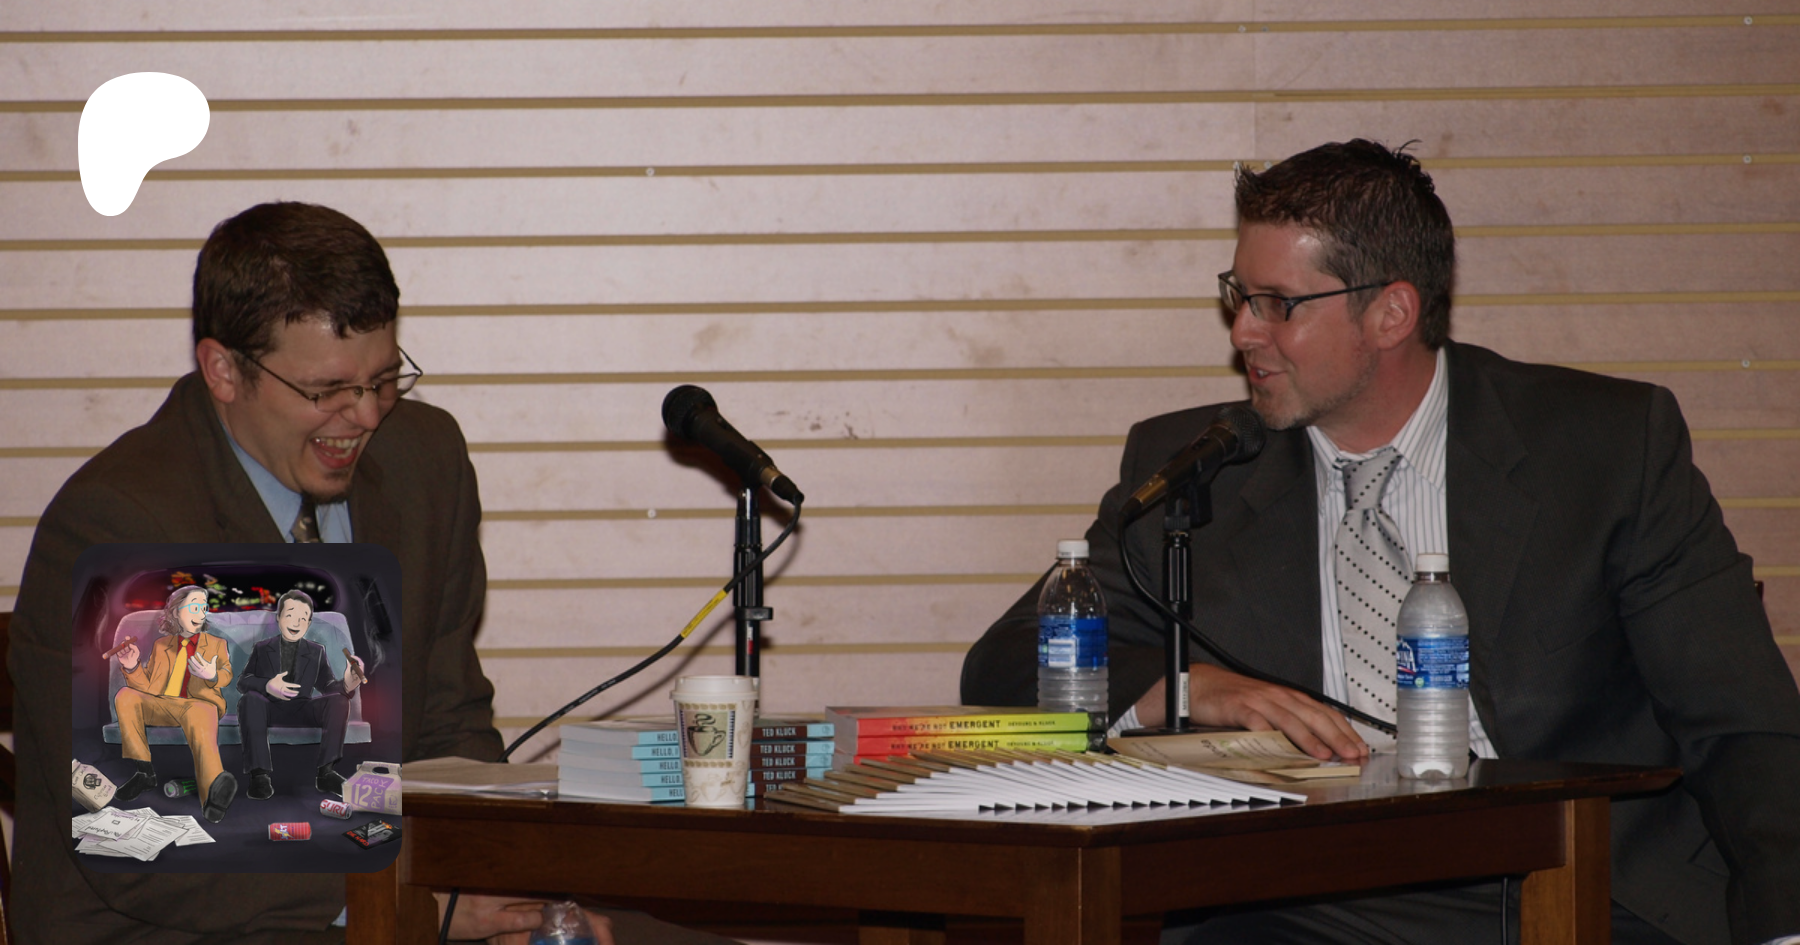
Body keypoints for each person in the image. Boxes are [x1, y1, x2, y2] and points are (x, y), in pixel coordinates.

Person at [962, 141, 1800, 945]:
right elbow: (1004, 661)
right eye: (1239, 295)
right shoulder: (1198, 468)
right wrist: (1186, 686)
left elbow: (1743, 722)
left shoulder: (1605, 449)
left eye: (1278, 303)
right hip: (1307, 901)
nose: (1243, 331)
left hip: (1583, 886)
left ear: (1392, 312)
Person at [10, 202, 732, 945]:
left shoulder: (424, 460)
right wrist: (416, 898)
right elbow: (138, 833)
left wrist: (499, 887)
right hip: (177, 923)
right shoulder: (118, 519)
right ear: (224, 370)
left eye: (384, 380)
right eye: (326, 390)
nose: (363, 416)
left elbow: (449, 724)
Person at [110, 584, 238, 822]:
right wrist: (132, 667)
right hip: (163, 705)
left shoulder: (216, 644)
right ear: (176, 612)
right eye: (194, 607)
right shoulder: (161, 646)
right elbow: (147, 687)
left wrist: (212, 675)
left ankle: (212, 799)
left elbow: (226, 675)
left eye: (204, 608)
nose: (201, 613)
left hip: (198, 705)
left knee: (201, 724)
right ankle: (145, 773)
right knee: (125, 695)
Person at [236, 588, 363, 799]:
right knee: (248, 700)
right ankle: (259, 776)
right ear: (278, 618)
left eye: (303, 619)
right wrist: (268, 685)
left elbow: (328, 686)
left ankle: (326, 773)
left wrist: (348, 685)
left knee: (340, 701)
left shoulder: (316, 651)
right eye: (290, 615)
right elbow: (243, 682)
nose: (296, 623)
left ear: (309, 623)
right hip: (269, 708)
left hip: (303, 707)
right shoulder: (262, 648)